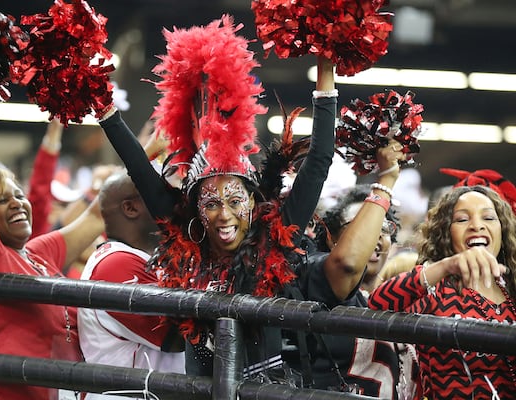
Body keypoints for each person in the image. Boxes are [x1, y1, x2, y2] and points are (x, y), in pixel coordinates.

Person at [96, 16, 336, 378]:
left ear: (254, 204)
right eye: (210, 203)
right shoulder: (186, 239)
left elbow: (317, 162)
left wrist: (326, 65)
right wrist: (101, 104)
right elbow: (139, 170)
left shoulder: (276, 236)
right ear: (196, 211)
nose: (224, 215)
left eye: (235, 201)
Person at [0, 72, 105, 400]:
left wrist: (151, 149)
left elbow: (98, 213)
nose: (18, 203)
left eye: (19, 195)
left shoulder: (39, 252)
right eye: (2, 200)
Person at [284, 140, 420, 399]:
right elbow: (347, 263)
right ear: (332, 239)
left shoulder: (408, 293)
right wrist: (387, 180)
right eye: (362, 227)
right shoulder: (321, 287)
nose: (376, 238)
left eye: (385, 229)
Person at [368, 185, 516, 399]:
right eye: (462, 219)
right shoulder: (435, 288)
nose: (477, 226)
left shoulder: (511, 287)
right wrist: (446, 266)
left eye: (489, 218)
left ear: (502, 230)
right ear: (446, 232)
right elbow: (376, 306)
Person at [78, 171, 185, 399]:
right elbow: (178, 337)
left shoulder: (142, 257)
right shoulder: (114, 264)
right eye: (161, 195)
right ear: (130, 208)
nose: (174, 204)